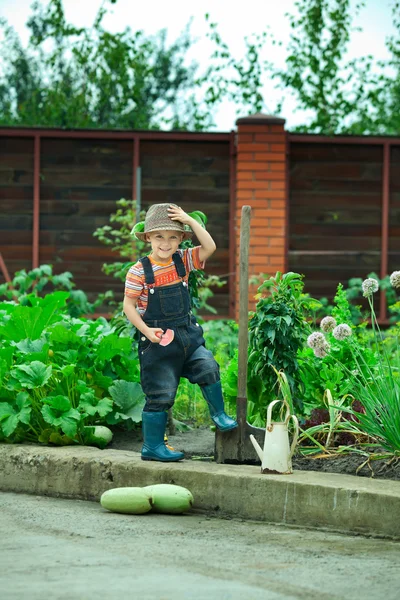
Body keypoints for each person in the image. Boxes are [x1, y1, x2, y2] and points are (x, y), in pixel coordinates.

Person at [123, 203, 238, 462]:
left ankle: (219, 415)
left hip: (187, 334)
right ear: (148, 238)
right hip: (158, 341)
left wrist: (189, 220)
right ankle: (152, 446)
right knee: (161, 393)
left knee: (208, 366)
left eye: (173, 237)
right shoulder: (139, 271)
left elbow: (210, 247)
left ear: (181, 240)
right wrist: (146, 330)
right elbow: (128, 307)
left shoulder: (183, 260)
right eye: (159, 237)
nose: (166, 243)